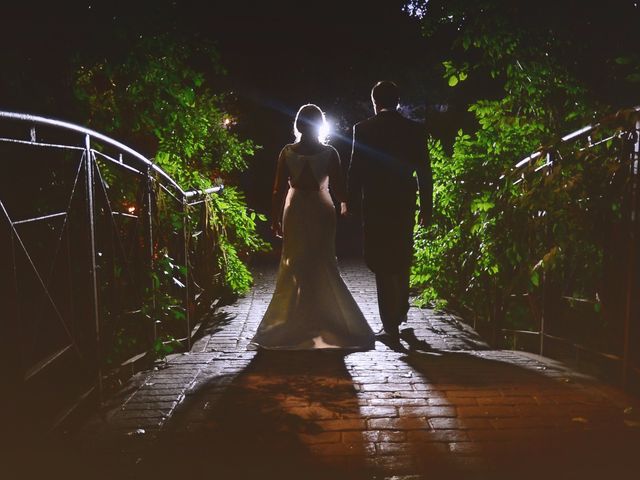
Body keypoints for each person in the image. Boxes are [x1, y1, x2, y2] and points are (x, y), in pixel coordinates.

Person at [251, 104, 375, 350]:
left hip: (295, 209)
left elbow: (278, 190)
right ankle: (329, 319)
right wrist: (346, 204)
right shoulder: (329, 154)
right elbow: (339, 189)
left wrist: (275, 217)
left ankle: (297, 320)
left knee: (295, 262)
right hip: (321, 210)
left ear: (298, 125)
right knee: (323, 261)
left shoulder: (287, 152)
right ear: (320, 124)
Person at [348, 81, 432, 350]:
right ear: (398, 101)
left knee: (382, 262)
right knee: (402, 254)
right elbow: (424, 172)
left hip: (375, 203)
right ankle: (400, 308)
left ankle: (391, 325)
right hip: (404, 202)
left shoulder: (363, 130)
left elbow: (355, 170)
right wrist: (427, 208)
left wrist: (351, 204)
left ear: (375, 102)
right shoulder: (414, 130)